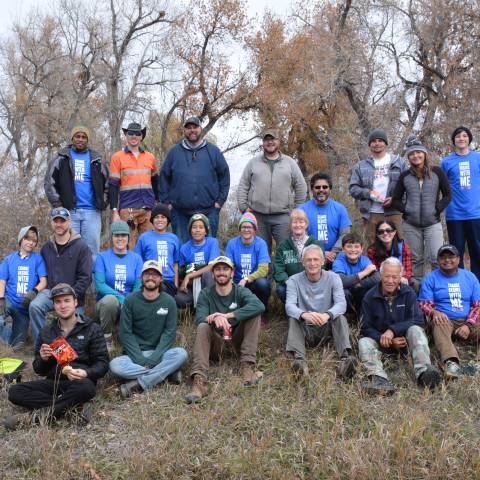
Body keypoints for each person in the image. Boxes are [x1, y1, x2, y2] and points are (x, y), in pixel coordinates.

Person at [3, 283, 109, 430]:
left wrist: (86, 373)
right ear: (53, 305)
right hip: (53, 383)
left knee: (87, 388)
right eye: (58, 302)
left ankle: (35, 418)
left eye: (67, 300)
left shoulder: (91, 328)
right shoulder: (47, 331)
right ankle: (73, 408)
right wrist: (43, 359)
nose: (63, 305)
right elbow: (39, 370)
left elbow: (103, 363)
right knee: (15, 391)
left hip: (79, 382)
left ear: (75, 302)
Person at [185, 256, 265, 404]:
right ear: (213, 273)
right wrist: (215, 318)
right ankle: (199, 380)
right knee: (203, 326)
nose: (222, 272)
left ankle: (247, 366)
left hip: (237, 341)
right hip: (217, 344)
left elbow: (259, 306)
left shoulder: (239, 291)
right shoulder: (205, 294)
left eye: (225, 269)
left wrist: (228, 315)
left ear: (232, 273)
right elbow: (199, 318)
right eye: (218, 269)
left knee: (254, 315)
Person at [359, 258, 441, 395]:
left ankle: (424, 372)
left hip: (406, 344)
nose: (390, 281)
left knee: (416, 329)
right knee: (363, 342)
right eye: (387, 276)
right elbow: (365, 327)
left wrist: (393, 330)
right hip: (383, 344)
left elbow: (418, 319)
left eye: (394, 277)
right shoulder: (369, 296)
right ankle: (378, 378)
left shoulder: (408, 293)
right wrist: (385, 339)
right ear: (380, 275)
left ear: (400, 277)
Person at [109, 260, 188, 399]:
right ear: (141, 278)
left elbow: (169, 333)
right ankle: (167, 374)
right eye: (147, 274)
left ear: (161, 279)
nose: (151, 277)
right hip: (134, 355)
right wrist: (139, 358)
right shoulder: (130, 300)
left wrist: (154, 359)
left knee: (181, 353)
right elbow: (125, 333)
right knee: (115, 365)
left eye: (155, 274)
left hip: (159, 354)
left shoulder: (169, 301)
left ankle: (139, 384)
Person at [285, 244, 357, 378]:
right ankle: (298, 362)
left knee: (340, 317)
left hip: (327, 328)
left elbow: (341, 304)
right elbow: (289, 306)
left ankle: (345, 360)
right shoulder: (294, 280)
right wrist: (304, 314)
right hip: (305, 329)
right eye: (308, 260)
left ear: (323, 261)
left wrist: (327, 315)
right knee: (293, 318)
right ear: (303, 262)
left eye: (316, 259)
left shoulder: (333, 278)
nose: (312, 263)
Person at [160, 116, 230, 243]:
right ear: (184, 131)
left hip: (209, 211)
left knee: (208, 253)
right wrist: (167, 203)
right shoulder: (174, 153)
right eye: (189, 128)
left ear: (200, 129)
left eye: (195, 127)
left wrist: (219, 202)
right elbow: (164, 178)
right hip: (180, 213)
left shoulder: (213, 151)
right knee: (182, 253)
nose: (192, 130)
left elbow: (224, 177)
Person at [237, 129, 307, 254]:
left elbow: (301, 186)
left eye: (273, 139)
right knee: (260, 252)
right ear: (263, 143)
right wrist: (244, 207)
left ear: (278, 141)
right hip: (258, 216)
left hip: (283, 217)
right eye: (267, 140)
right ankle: (266, 274)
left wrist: (296, 210)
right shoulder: (253, 163)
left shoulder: (289, 162)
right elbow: (243, 185)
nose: (270, 142)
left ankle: (284, 274)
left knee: (287, 251)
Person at [44, 125, 109, 261]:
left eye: (84, 137)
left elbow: (107, 184)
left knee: (92, 252)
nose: (80, 139)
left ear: (87, 140)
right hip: (69, 212)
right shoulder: (61, 158)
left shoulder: (97, 159)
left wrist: (102, 202)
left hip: (92, 212)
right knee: (68, 250)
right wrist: (59, 206)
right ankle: (68, 283)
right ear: (72, 138)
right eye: (77, 136)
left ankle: (90, 283)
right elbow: (50, 183)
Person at [392, 136, 451, 284]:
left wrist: (437, 209)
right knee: (415, 260)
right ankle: (417, 292)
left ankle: (439, 288)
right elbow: (395, 199)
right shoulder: (405, 176)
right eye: (411, 154)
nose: (415, 156)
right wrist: (406, 211)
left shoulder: (437, 172)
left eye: (418, 152)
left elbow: (448, 195)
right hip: (411, 225)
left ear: (424, 154)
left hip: (433, 223)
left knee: (437, 257)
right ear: (409, 157)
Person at [29, 208, 92, 344]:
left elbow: (86, 278)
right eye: (55, 221)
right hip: (51, 292)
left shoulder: (82, 247)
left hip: (74, 295)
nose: (59, 224)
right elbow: (42, 275)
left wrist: (71, 296)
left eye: (62, 221)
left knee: (75, 342)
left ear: (69, 222)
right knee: (35, 306)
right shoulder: (46, 248)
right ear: (51, 223)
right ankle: (43, 346)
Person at [419, 244, 480, 379]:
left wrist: (468, 325)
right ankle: (451, 363)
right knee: (439, 322)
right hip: (445, 320)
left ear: (459, 259)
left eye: (451, 256)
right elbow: (424, 304)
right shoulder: (431, 278)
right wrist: (434, 313)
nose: (447, 260)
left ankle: (477, 363)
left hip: (467, 320)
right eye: (443, 257)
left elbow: (477, 305)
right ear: (438, 260)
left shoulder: (470, 277)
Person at [349, 128, 407, 243]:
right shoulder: (361, 166)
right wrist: (368, 193)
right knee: (373, 247)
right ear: (369, 144)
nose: (377, 143)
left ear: (385, 143)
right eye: (373, 141)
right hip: (371, 214)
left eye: (380, 140)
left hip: (395, 212)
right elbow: (353, 189)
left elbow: (408, 186)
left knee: (399, 245)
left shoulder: (399, 162)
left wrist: (395, 199)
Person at [110, 122, 159, 249]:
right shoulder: (117, 157)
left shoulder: (150, 157)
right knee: (129, 247)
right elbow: (113, 185)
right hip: (128, 209)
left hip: (148, 208)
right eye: (130, 133)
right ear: (126, 135)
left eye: (137, 133)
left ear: (141, 136)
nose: (134, 136)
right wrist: (115, 211)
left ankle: (148, 270)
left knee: (150, 246)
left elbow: (156, 181)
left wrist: (158, 203)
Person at [441, 126, 480, 281]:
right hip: (454, 215)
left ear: (469, 139)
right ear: (454, 140)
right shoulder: (446, 162)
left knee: (477, 250)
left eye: (464, 136)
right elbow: (442, 187)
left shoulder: (477, 158)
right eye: (458, 136)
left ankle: (477, 286)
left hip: (476, 213)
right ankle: (460, 282)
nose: (461, 139)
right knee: (456, 252)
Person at [94, 221, 143, 341]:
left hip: (129, 302)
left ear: (128, 237)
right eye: (116, 235)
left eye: (123, 235)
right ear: (111, 237)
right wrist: (122, 300)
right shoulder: (102, 257)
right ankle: (107, 338)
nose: (120, 238)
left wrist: (129, 301)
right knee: (110, 301)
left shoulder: (136, 258)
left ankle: (125, 334)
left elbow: (138, 285)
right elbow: (99, 284)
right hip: (106, 305)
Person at [0, 226, 47, 347]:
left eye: (34, 240)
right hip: (8, 301)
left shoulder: (38, 259)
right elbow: (2, 281)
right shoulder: (9, 259)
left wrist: (34, 291)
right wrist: (1, 299)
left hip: (23, 309)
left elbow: (43, 281)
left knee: (17, 345)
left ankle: (9, 336)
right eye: (27, 239)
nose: (31, 243)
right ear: (21, 239)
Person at [225, 213, 271, 326]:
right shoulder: (232, 243)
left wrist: (246, 279)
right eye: (243, 227)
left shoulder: (260, 243)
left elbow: (264, 269)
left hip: (254, 282)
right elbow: (228, 265)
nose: (246, 229)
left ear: (255, 229)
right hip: (237, 283)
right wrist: (229, 280)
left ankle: (263, 312)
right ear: (240, 229)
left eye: (249, 227)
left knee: (263, 283)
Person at [299, 172, 352, 265]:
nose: (321, 190)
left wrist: (333, 253)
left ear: (330, 189)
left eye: (325, 187)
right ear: (312, 189)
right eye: (317, 187)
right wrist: (320, 253)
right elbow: (300, 236)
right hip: (310, 256)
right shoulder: (302, 210)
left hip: (336, 256)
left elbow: (345, 234)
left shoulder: (340, 209)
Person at [273, 209, 323, 304]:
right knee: (280, 289)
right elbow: (278, 270)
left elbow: (322, 265)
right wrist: (289, 282)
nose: (298, 225)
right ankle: (292, 310)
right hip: (290, 284)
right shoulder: (283, 246)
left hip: (311, 282)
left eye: (301, 222)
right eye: (294, 222)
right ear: (290, 225)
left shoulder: (315, 243)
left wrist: (310, 282)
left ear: (306, 224)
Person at [134, 203, 180, 298]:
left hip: (168, 280)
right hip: (149, 279)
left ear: (168, 220)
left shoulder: (173, 238)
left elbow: (176, 263)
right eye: (157, 217)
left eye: (163, 217)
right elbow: (138, 261)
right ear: (152, 220)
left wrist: (176, 284)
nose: (160, 220)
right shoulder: (144, 238)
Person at [175, 213, 220, 309]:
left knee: (207, 274)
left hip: (209, 283)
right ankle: (195, 307)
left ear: (206, 231)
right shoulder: (184, 248)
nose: (197, 230)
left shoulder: (212, 243)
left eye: (201, 227)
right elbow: (182, 273)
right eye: (194, 227)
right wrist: (187, 279)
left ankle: (211, 308)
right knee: (179, 299)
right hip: (192, 284)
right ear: (190, 230)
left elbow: (212, 266)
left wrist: (190, 274)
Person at [332, 233, 379, 315]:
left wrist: (360, 284)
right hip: (346, 296)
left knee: (366, 290)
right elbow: (341, 281)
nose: (353, 250)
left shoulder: (364, 260)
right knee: (343, 292)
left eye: (356, 246)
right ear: (343, 249)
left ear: (361, 249)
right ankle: (346, 317)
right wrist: (364, 272)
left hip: (358, 291)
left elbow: (377, 278)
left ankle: (361, 319)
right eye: (349, 246)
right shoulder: (339, 261)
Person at [367, 220, 413, 286]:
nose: (385, 233)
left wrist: (403, 278)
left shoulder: (404, 247)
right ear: (377, 235)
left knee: (413, 283)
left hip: (400, 277)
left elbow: (408, 269)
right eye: (381, 232)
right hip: (382, 279)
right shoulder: (372, 250)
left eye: (388, 230)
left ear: (394, 232)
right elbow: (374, 271)